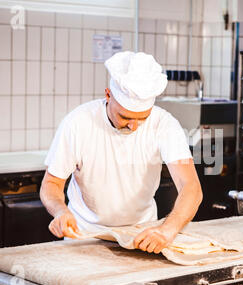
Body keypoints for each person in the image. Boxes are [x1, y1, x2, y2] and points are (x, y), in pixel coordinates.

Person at [40, 51, 203, 254]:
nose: (134, 127)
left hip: (141, 236)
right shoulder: (78, 123)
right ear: (108, 95)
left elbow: (191, 187)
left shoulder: (165, 124)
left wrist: (167, 230)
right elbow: (51, 184)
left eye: (142, 118)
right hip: (83, 235)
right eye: (125, 117)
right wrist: (60, 212)